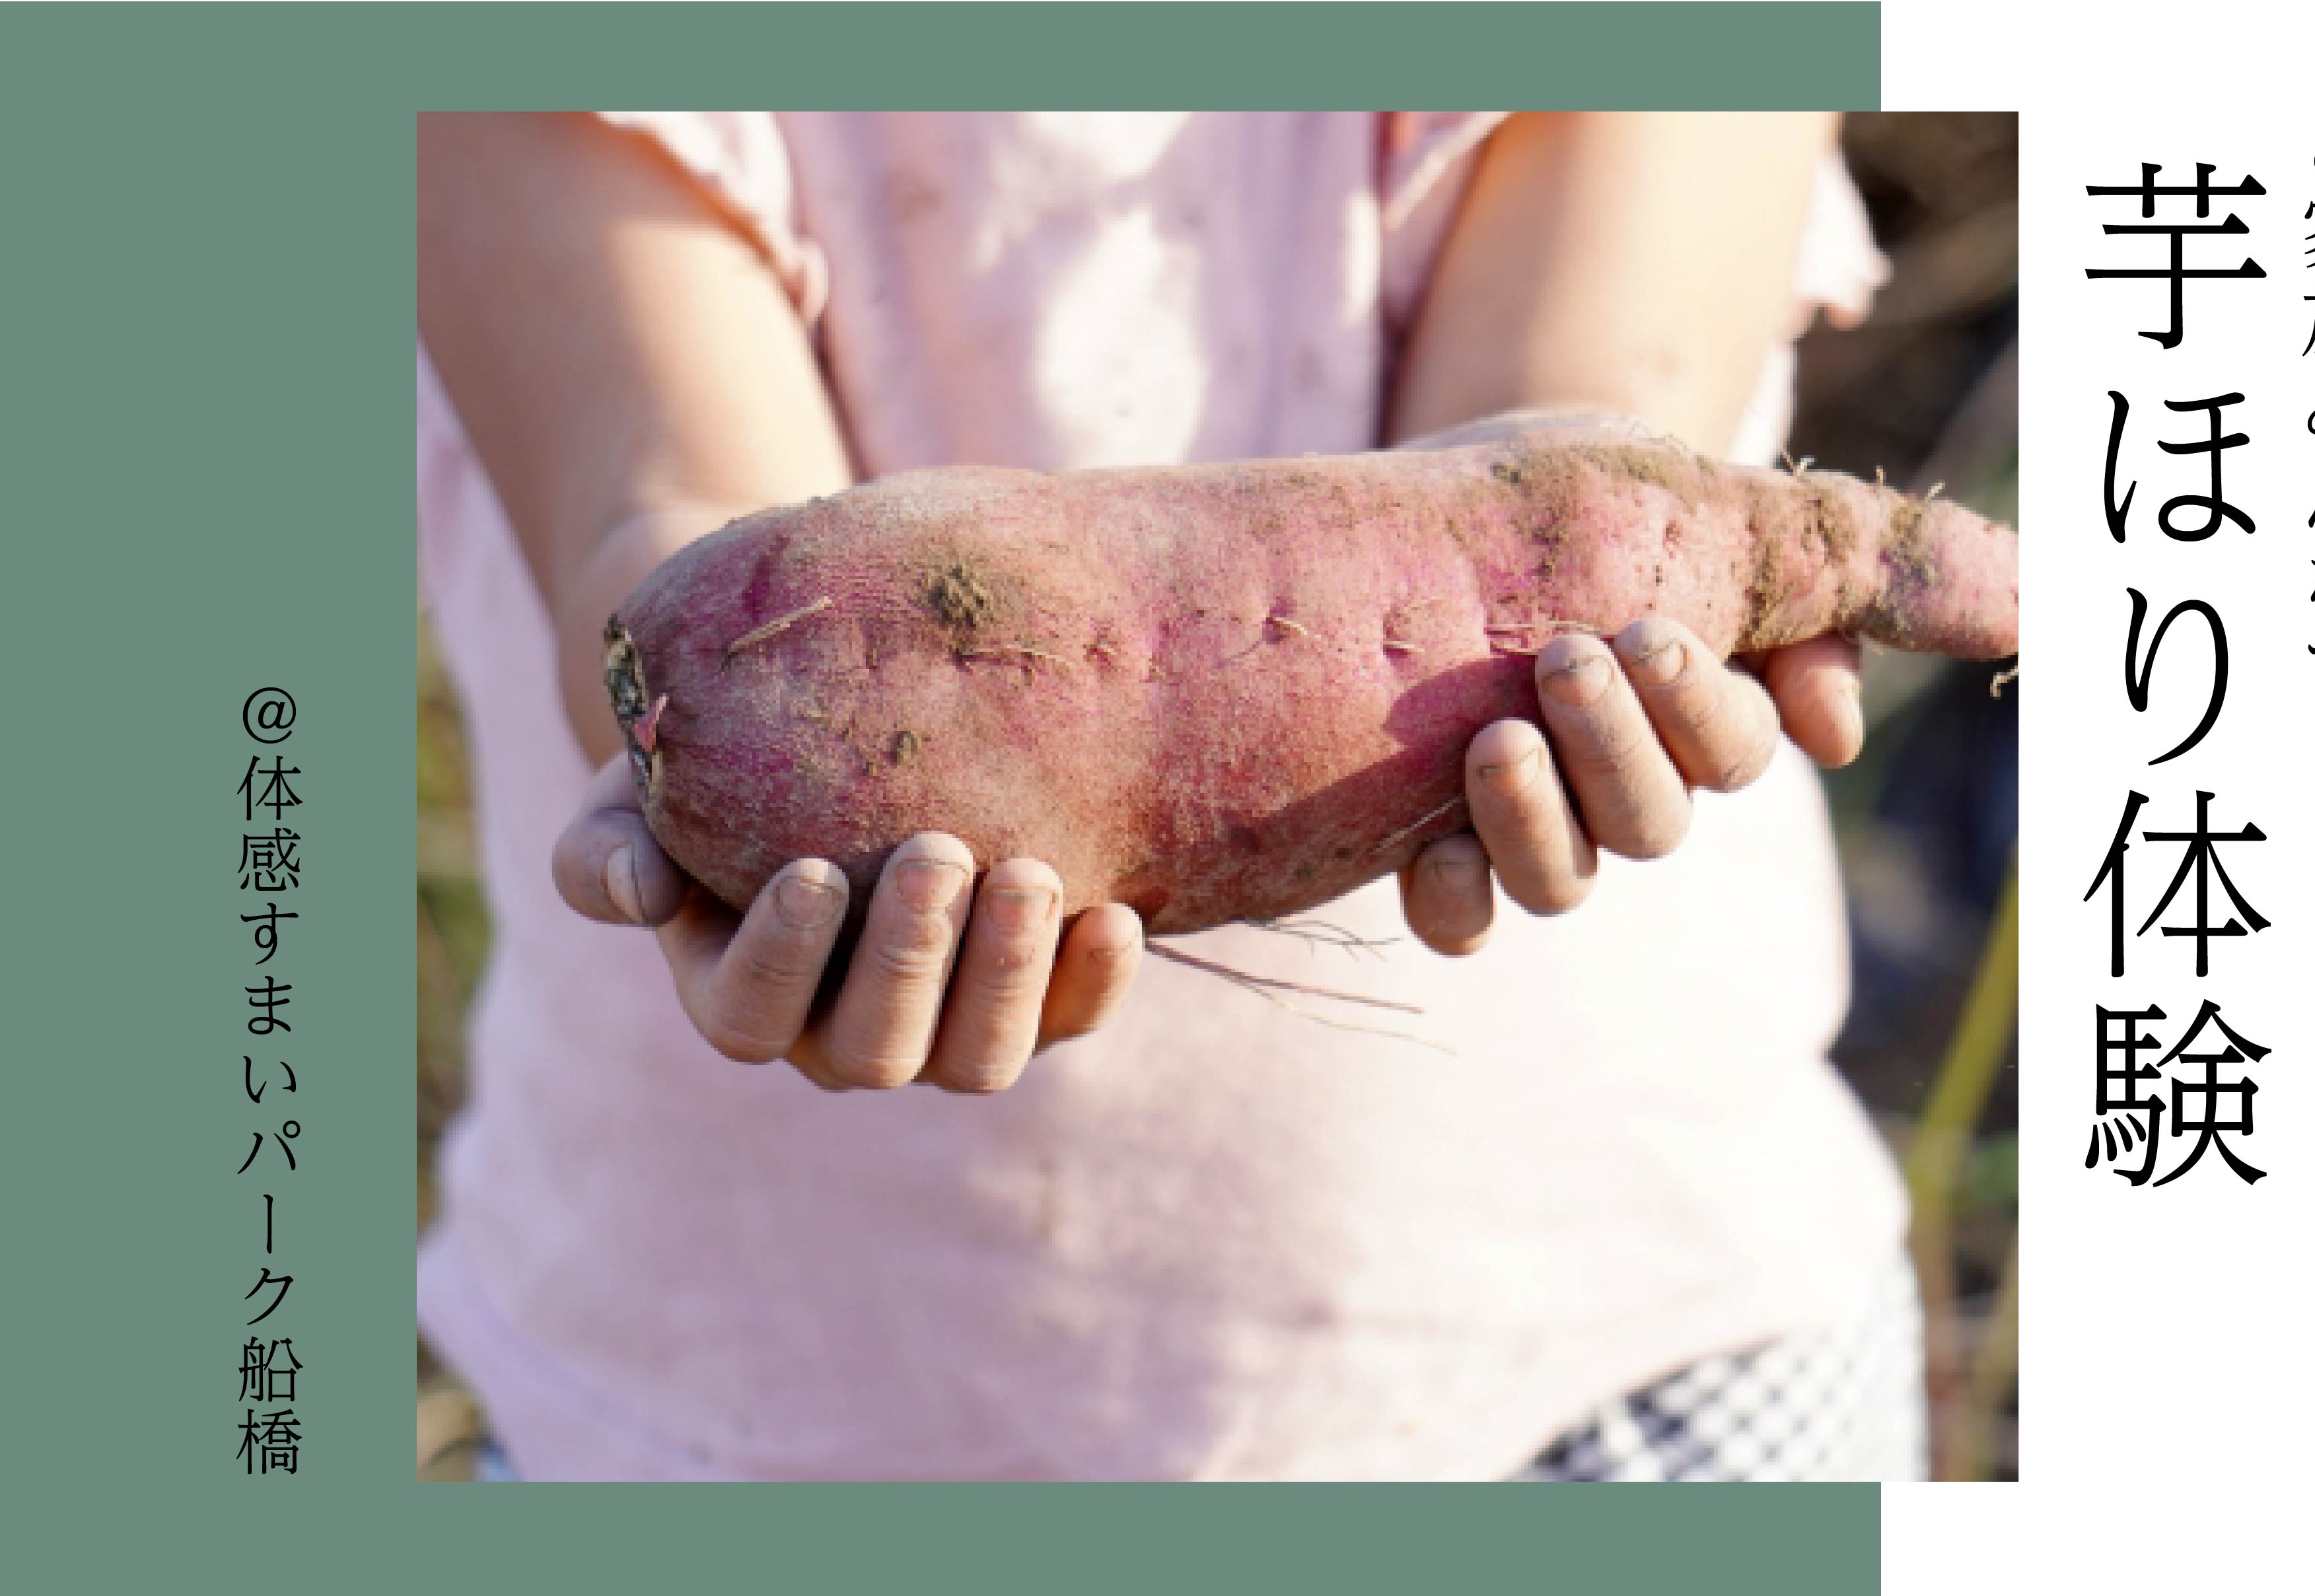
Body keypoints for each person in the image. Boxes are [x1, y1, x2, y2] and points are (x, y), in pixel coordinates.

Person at [416, 111, 1922, 1481]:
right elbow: (654, 501)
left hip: (1624, 1361)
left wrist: (1574, 529)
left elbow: (1578, 419)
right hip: (725, 1411)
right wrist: (728, 789)